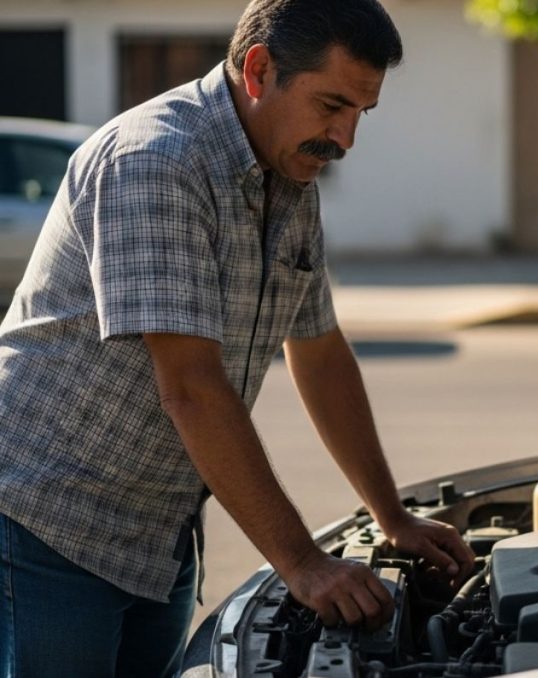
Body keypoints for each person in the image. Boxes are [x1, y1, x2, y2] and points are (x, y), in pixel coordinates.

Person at [0, 0, 475, 675]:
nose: (344, 140)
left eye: (359, 114)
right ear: (258, 70)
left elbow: (320, 351)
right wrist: (304, 565)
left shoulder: (290, 174)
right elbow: (191, 389)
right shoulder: (157, 162)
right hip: (47, 528)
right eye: (331, 105)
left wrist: (391, 515)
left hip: (157, 536)